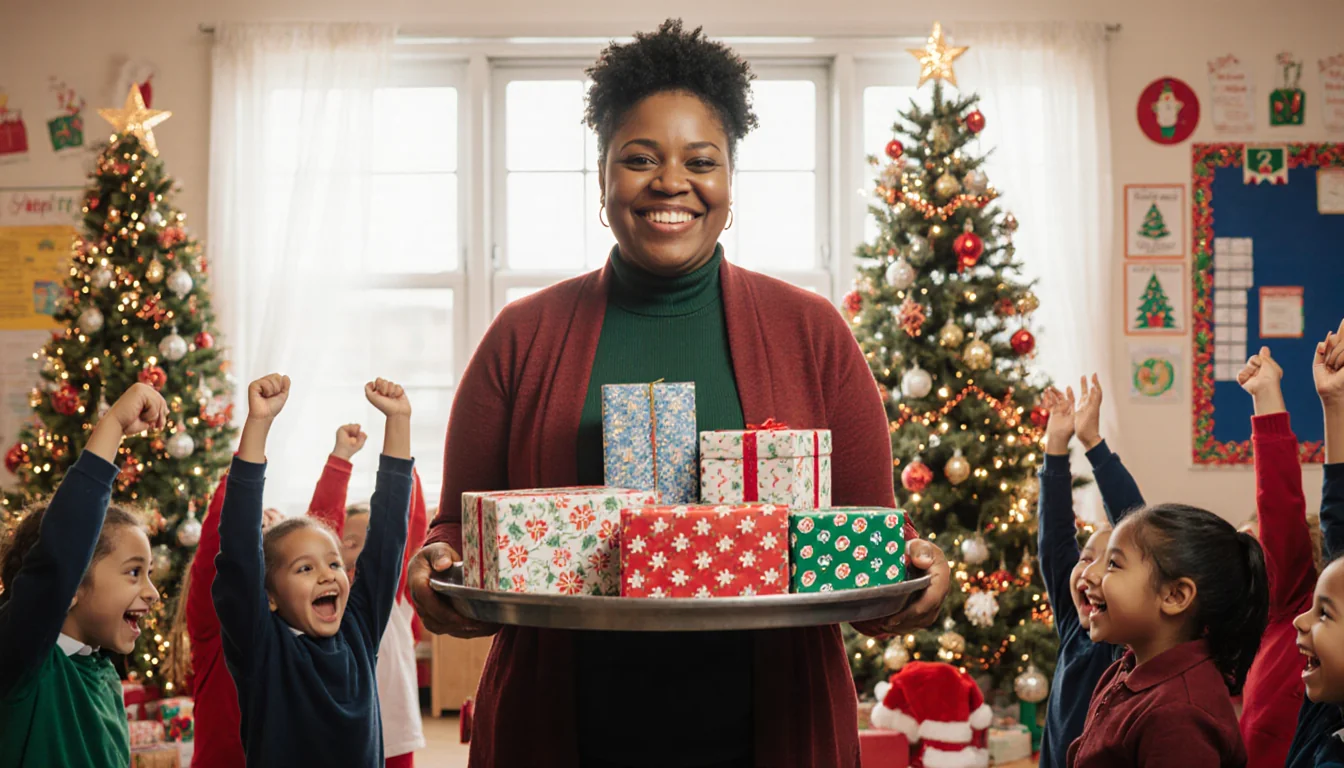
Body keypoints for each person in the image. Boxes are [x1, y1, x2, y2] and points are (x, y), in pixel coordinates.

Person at [407, 19, 952, 767]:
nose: (671, 182)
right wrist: (436, 573)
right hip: (566, 722)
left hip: (771, 722)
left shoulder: (812, 331)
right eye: (639, 159)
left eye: (702, 160)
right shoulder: (521, 336)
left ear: (730, 180)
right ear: (601, 177)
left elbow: (874, 536)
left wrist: (915, 571)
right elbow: (455, 537)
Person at [212, 374, 414, 767]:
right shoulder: (262, 647)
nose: (326, 575)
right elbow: (237, 549)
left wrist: (399, 421)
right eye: (304, 568)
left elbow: (388, 537)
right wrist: (259, 424)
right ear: (268, 595)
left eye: (334, 563)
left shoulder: (359, 630)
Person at [0, 383, 168, 767]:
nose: (153, 593)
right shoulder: (26, 662)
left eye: (150, 574)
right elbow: (60, 554)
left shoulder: (104, 673)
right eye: (134, 573)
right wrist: (113, 425)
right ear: (73, 584)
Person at [182, 423, 367, 767]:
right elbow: (226, 545)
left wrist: (340, 461)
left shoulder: (295, 633)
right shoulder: (218, 622)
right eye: (261, 525)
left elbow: (317, 542)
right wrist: (242, 466)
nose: (268, 521)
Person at [1065, 496, 1269, 766]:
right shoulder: (1124, 669)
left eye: (1113, 563)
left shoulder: (1180, 715)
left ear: (1174, 596)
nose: (1089, 573)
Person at [1036, 376, 1145, 768]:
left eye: (1112, 562)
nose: (1089, 571)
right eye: (1086, 557)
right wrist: (1055, 446)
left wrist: (1093, 443)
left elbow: (1137, 527)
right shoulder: (1073, 627)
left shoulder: (1127, 642)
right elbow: (1055, 541)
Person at [310, 425, 430, 768]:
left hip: (391, 733)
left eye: (368, 541)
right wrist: (340, 461)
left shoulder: (391, 599)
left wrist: (400, 454)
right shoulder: (319, 600)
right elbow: (319, 523)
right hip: (335, 732)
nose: (360, 551)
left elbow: (409, 526)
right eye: (349, 541)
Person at [1236, 346, 1322, 768]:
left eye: (1255, 548)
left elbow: (1280, 505)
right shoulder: (1258, 624)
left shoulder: (1294, 605)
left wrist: (1267, 398)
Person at [1287, 321, 1344, 768]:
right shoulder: (1326, 708)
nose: (1299, 621)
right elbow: (1338, 525)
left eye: (1324, 612)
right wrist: (1335, 403)